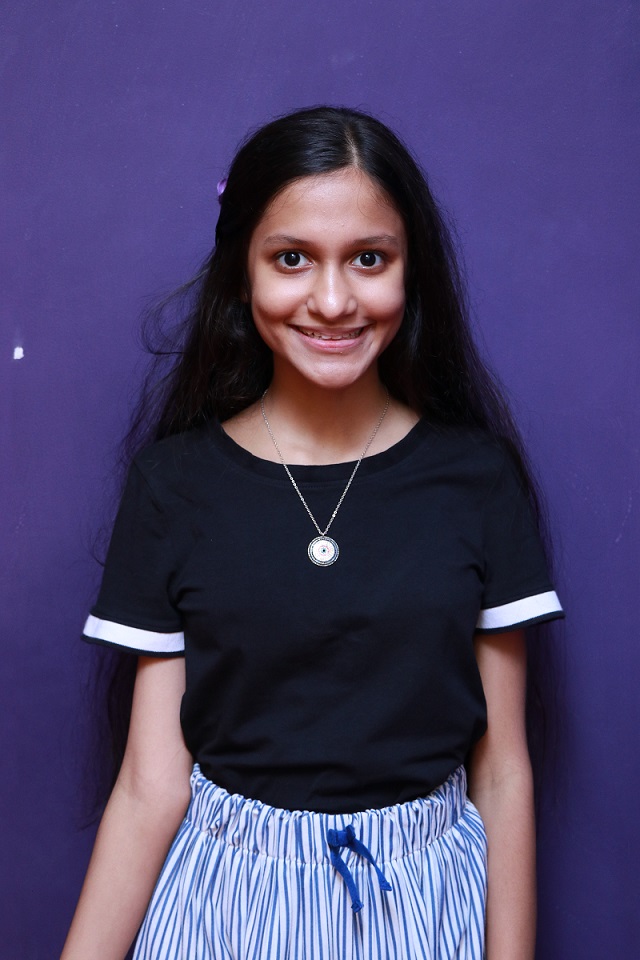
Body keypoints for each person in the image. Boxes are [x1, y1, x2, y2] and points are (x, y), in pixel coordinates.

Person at [61, 106, 564, 960]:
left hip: (421, 907)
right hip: (223, 907)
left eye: (369, 259)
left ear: (410, 272)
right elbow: (150, 783)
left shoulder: (477, 480)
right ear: (243, 272)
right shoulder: (174, 486)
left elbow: (504, 771)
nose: (332, 302)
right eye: (291, 258)